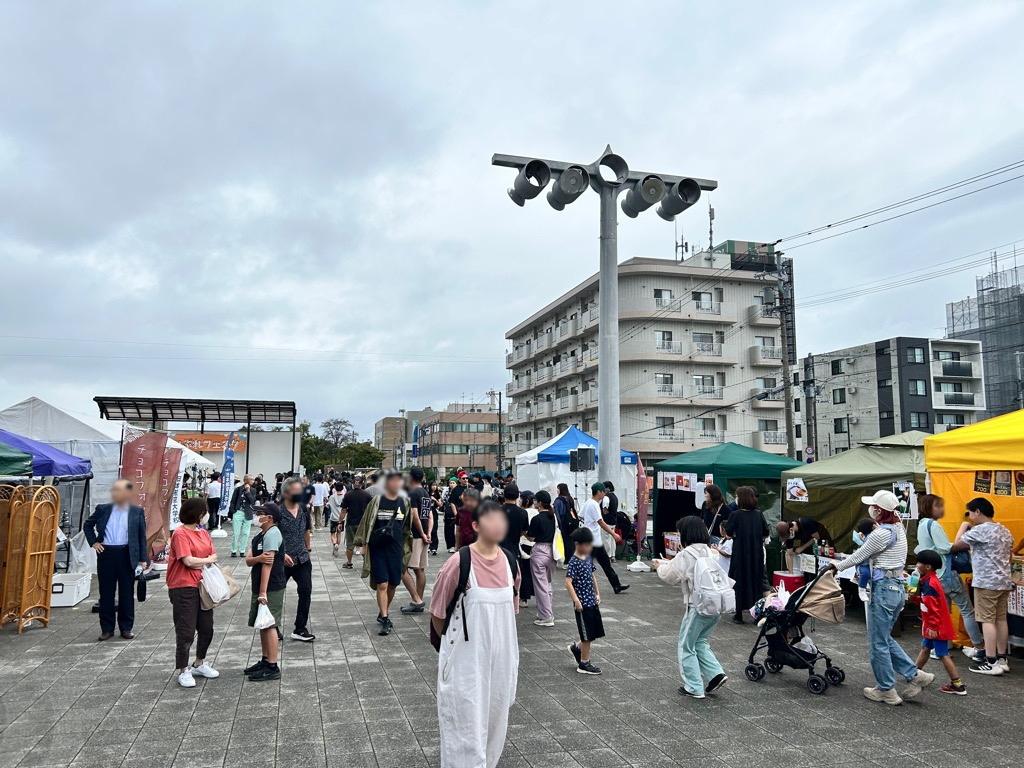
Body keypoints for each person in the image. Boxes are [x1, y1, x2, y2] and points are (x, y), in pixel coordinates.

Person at [430, 499, 520, 768]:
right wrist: (452, 649)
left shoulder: (511, 564)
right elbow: (438, 613)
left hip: (500, 660)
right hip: (465, 661)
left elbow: (511, 612)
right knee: (464, 725)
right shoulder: (459, 563)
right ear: (476, 525)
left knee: (495, 722)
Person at [826, 489, 934, 705]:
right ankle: (914, 675)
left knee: (878, 643)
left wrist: (836, 565)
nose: (871, 509)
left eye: (874, 506)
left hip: (883, 589)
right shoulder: (899, 529)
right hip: (896, 588)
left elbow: (859, 555)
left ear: (879, 510)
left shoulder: (880, 534)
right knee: (883, 638)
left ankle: (886, 689)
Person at [651, 516, 728, 699]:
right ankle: (716, 674)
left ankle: (693, 687)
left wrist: (659, 566)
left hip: (697, 606)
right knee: (699, 641)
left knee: (686, 645)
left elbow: (670, 575)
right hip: (715, 604)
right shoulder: (711, 552)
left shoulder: (686, 554)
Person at [915, 494, 985, 660]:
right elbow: (945, 548)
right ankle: (979, 647)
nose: (942, 509)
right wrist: (966, 542)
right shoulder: (933, 525)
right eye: (938, 506)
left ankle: (942, 646)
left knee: (942, 613)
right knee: (967, 611)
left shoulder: (921, 525)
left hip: (935, 576)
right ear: (928, 508)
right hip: (947, 574)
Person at [950, 497, 1015, 675]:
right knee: (1001, 619)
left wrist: (964, 526)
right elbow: (1009, 556)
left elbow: (956, 545)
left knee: (987, 620)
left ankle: (991, 661)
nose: (970, 517)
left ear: (978, 511)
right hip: (1003, 581)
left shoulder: (979, 530)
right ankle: (1002, 659)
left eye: (970, 513)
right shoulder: (1004, 530)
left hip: (986, 582)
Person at [84, 479, 149, 641]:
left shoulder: (136, 512)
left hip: (127, 554)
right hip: (107, 554)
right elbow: (87, 525)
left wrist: (143, 559)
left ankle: (126, 628)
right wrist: (94, 542)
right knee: (106, 593)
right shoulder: (103, 509)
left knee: (127, 593)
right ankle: (107, 629)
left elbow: (141, 537)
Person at [166, 497, 220, 688]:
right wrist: (206, 560)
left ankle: (199, 663)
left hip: (203, 585)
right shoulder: (180, 533)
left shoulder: (203, 532)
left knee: (207, 628)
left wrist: (204, 560)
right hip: (183, 586)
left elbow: (213, 556)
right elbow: (187, 561)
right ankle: (183, 669)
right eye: (204, 512)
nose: (206, 515)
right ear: (197, 514)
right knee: (186, 630)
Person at [354, 469, 414, 636]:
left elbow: (406, 528)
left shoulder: (405, 503)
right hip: (378, 548)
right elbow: (366, 522)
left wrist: (409, 546)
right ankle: (385, 618)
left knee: (393, 583)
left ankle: (383, 611)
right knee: (382, 584)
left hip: (396, 549)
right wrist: (363, 545)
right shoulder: (377, 501)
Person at [910, 549, 966, 695]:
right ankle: (913, 674)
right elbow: (928, 603)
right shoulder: (930, 581)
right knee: (925, 648)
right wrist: (914, 598)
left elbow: (933, 608)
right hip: (935, 626)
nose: (916, 565)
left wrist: (934, 627)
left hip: (936, 627)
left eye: (919, 563)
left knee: (942, 654)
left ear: (928, 567)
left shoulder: (930, 585)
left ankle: (957, 684)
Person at [245, 502, 286, 681]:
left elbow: (267, 564)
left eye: (259, 513)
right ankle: (265, 659)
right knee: (262, 623)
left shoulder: (272, 533)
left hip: (271, 586)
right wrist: (257, 558)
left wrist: (263, 592)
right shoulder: (261, 534)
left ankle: (272, 665)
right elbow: (249, 559)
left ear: (269, 517)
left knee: (270, 624)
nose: (256, 517)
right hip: (260, 585)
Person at [723, 486, 769, 625]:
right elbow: (766, 532)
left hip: (740, 553)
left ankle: (738, 614)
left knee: (739, 580)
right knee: (756, 581)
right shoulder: (759, 515)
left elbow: (728, 533)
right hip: (756, 553)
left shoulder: (735, 515)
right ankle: (757, 614)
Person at [277, 477, 315, 642]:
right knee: (276, 594)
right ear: (286, 493)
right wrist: (281, 554)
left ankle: (300, 628)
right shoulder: (277, 512)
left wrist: (308, 550)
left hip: (302, 558)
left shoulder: (303, 509)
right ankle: (273, 627)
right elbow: (270, 536)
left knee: (305, 591)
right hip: (282, 560)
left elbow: (307, 531)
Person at [565, 527, 604, 675]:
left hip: (591, 601)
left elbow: (592, 576)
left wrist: (597, 593)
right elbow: (568, 582)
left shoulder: (587, 558)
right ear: (577, 544)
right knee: (586, 635)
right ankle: (584, 663)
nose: (589, 548)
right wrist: (576, 600)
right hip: (582, 604)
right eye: (587, 545)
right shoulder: (574, 561)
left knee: (593, 632)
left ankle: (577, 647)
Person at [580, 482, 628, 594]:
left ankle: (616, 585)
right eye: (603, 491)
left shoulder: (588, 503)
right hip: (593, 541)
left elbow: (580, 516)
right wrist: (613, 534)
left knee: (602, 564)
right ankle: (615, 585)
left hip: (591, 540)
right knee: (601, 565)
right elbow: (601, 522)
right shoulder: (594, 505)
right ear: (598, 492)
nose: (605, 494)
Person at [400, 467, 432, 614]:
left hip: (415, 535)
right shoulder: (425, 493)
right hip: (425, 535)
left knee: (402, 568)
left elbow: (415, 515)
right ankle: (418, 600)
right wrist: (428, 533)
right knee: (420, 569)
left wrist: (421, 533)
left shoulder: (413, 493)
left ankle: (416, 599)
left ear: (411, 477)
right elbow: (430, 516)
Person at [526, 490, 557, 627]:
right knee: (547, 584)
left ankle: (546, 616)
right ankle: (547, 612)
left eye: (535, 500)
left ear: (539, 503)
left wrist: (524, 533)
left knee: (540, 586)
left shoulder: (536, 519)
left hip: (539, 550)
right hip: (552, 551)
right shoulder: (553, 516)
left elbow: (531, 537)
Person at [500, 484, 532, 604]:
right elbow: (524, 531)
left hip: (497, 549)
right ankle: (511, 601)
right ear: (518, 496)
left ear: (504, 495)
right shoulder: (522, 513)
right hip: (513, 550)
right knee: (512, 577)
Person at [342, 475, 372, 569]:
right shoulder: (366, 495)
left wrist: (340, 522)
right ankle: (366, 562)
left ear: (352, 484)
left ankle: (349, 563)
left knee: (350, 544)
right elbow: (371, 509)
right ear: (362, 484)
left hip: (351, 522)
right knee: (364, 543)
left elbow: (343, 510)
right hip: (363, 523)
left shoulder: (348, 494)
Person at [228, 474, 257, 558]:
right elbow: (233, 500)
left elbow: (252, 501)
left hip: (248, 512)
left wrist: (248, 491)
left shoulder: (253, 490)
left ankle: (242, 550)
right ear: (245, 480)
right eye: (250, 479)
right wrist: (233, 511)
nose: (252, 481)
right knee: (236, 533)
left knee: (246, 533)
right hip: (238, 512)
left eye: (252, 479)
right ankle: (233, 550)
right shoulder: (238, 489)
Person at [554, 483, 579, 567]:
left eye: (558, 489)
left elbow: (557, 513)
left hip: (563, 524)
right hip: (571, 523)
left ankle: (565, 560)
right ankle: (571, 560)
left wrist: (558, 524)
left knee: (563, 542)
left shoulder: (558, 500)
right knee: (570, 541)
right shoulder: (570, 498)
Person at [447, 474, 468, 553]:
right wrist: (456, 513)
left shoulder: (471, 488)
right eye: (463, 478)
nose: (465, 480)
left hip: (470, 513)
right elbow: (452, 502)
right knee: (458, 530)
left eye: (466, 478)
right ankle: (457, 546)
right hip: (460, 512)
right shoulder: (456, 489)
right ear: (459, 480)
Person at [328, 482, 346, 557]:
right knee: (339, 533)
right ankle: (337, 546)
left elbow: (328, 505)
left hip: (333, 518)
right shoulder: (345, 497)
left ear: (335, 488)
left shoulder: (331, 497)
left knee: (332, 533)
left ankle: (334, 543)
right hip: (341, 519)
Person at [428, 481, 442, 555]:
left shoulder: (437, 495)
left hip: (434, 512)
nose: (434, 487)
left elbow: (440, 505)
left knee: (434, 530)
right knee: (427, 529)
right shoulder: (427, 493)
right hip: (427, 512)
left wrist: (435, 500)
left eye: (435, 485)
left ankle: (434, 547)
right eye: (432, 485)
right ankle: (428, 545)